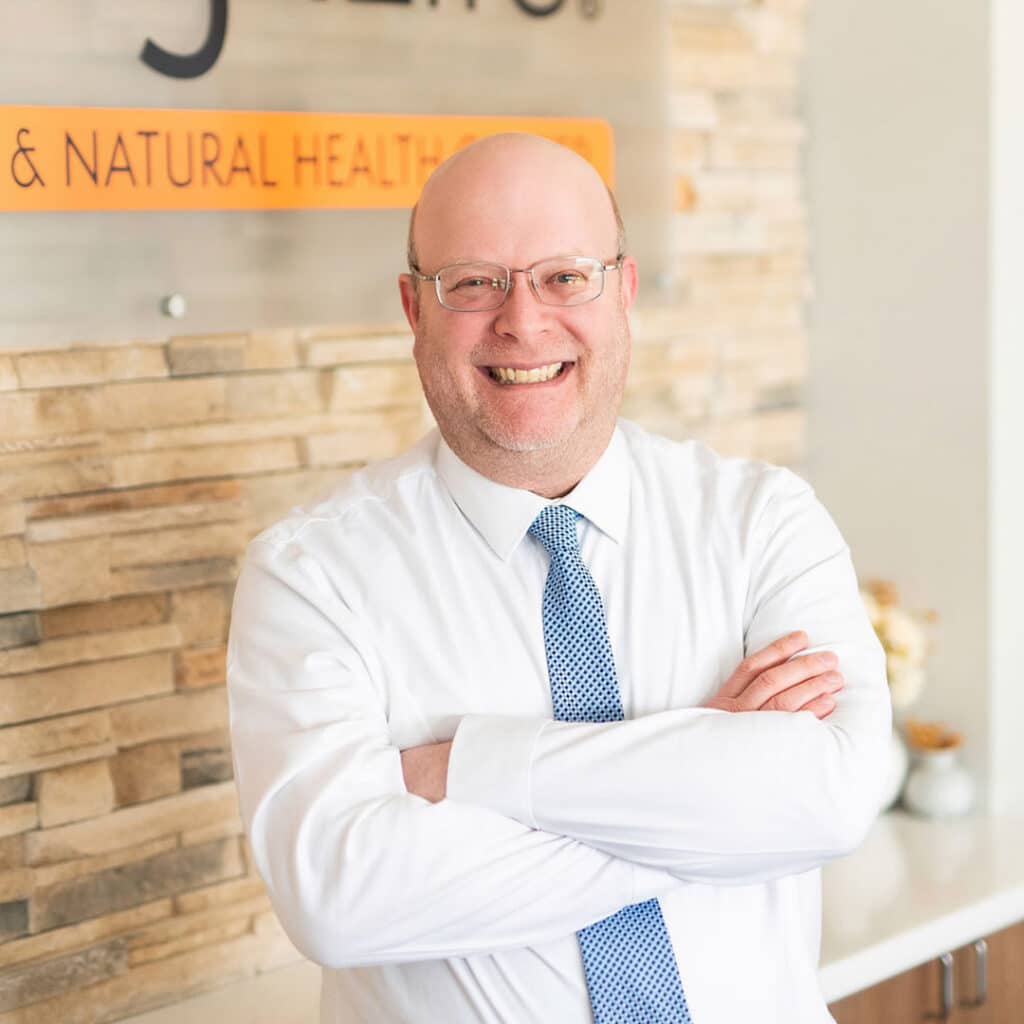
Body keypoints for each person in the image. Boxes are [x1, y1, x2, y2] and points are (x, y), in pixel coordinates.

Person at [226, 133, 891, 1023]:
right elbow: (341, 902)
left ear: (624, 290)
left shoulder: (762, 521)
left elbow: (829, 800)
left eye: (565, 276)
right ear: (412, 308)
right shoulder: (313, 577)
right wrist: (706, 795)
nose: (523, 322)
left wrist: (470, 765)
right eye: (472, 282)